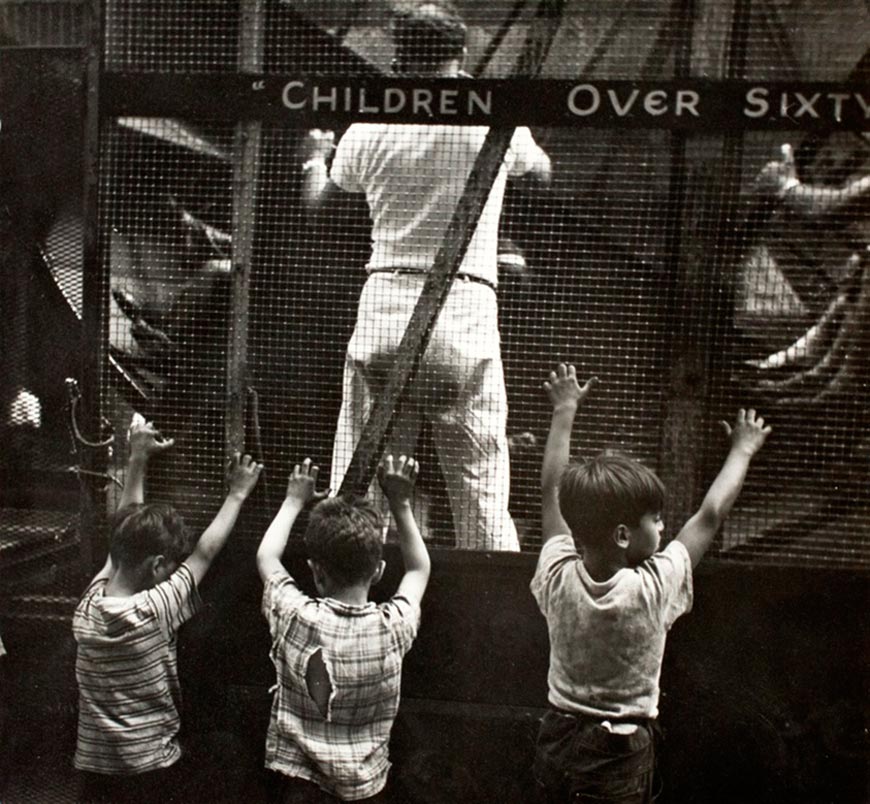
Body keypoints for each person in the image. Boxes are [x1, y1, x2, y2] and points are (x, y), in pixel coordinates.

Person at [301, 1, 551, 551]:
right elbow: (542, 176)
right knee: (481, 489)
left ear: (398, 57)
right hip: (464, 313)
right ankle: (493, 616)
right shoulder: (493, 115)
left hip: (385, 310)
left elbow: (321, 213)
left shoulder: (370, 122)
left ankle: (352, 605)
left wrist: (313, 158)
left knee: (361, 487)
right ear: (459, 55)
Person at [531, 364, 771, 803]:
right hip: (618, 750)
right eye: (656, 519)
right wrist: (743, 450)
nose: (664, 526)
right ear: (623, 535)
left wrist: (565, 409)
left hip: (557, 736)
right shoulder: (654, 588)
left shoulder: (556, 573)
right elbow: (710, 515)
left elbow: (551, 494)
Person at [72, 415, 262, 803]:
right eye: (171, 562)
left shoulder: (88, 605)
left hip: (94, 776)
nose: (176, 566)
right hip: (151, 775)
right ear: (157, 565)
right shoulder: (156, 608)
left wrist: (137, 456)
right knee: (227, 753)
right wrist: (237, 493)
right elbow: (206, 552)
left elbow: (120, 537)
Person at [256, 455, 430, 802]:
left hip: (298, 784)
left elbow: (267, 557)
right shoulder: (393, 626)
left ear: (315, 573)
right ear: (379, 571)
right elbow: (418, 570)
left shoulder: (295, 615)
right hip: (364, 787)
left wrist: (293, 500)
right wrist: (401, 501)